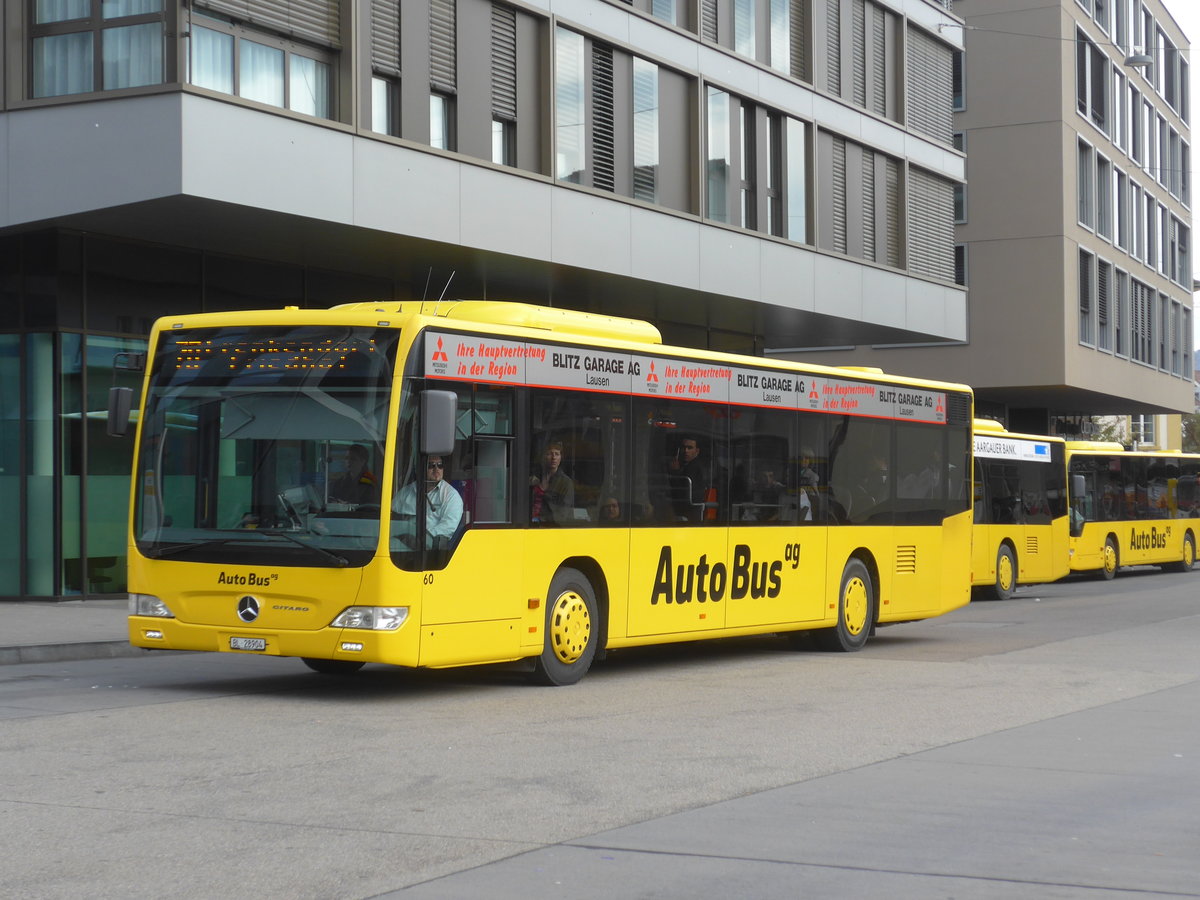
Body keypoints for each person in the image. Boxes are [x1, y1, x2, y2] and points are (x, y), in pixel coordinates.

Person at [393, 455, 463, 548]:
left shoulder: (451, 496)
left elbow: (447, 527)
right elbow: (391, 516)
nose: (436, 469)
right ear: (420, 469)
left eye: (440, 465)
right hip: (399, 543)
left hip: (428, 548)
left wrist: (423, 539)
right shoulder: (405, 492)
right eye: (431, 465)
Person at [530, 441, 574, 523]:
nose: (554, 458)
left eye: (557, 454)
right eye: (550, 454)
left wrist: (540, 520)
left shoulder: (566, 482)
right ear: (544, 457)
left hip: (549, 525)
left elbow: (562, 514)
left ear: (561, 458)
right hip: (529, 523)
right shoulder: (534, 478)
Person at [667, 436, 709, 520]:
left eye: (690, 448)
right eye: (684, 447)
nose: (686, 451)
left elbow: (683, 491)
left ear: (697, 451)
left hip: (690, 512)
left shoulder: (695, 467)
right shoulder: (686, 465)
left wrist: (676, 472)